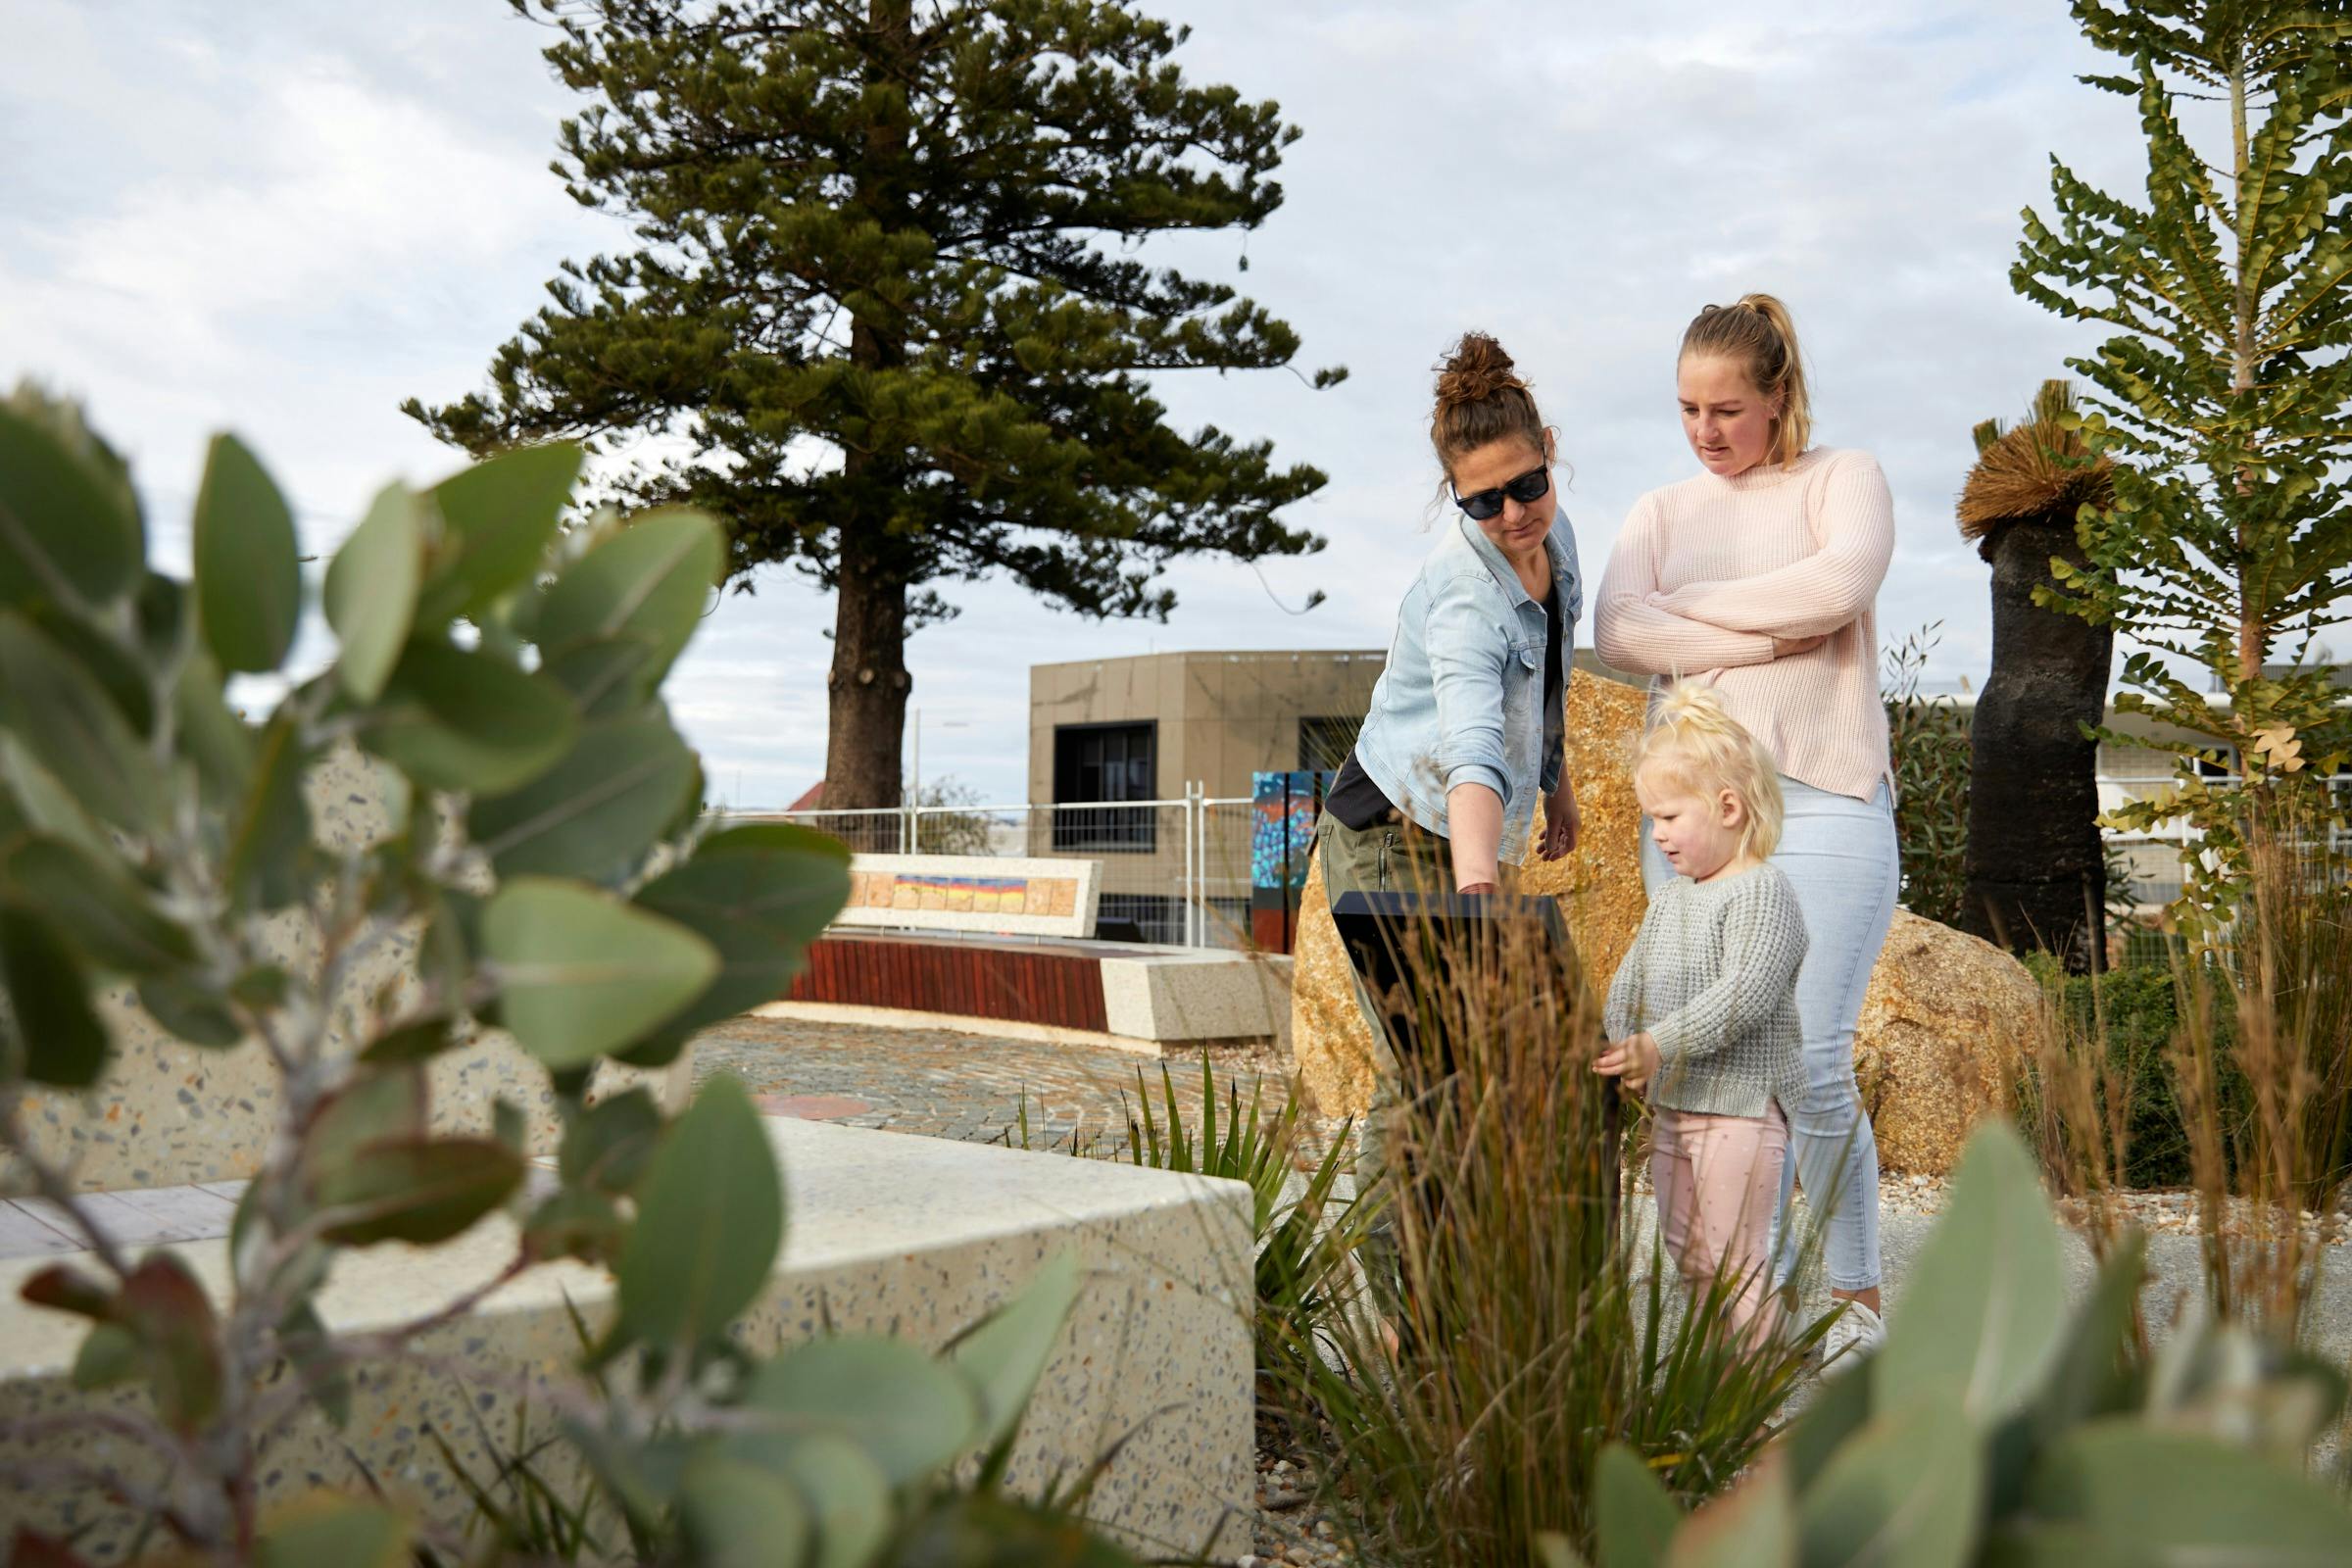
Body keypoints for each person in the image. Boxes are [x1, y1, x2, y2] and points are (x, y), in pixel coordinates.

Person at [1592, 294, 1897, 1366]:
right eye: (1687, 409)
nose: (1706, 431)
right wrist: (1782, 630)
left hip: (1827, 797)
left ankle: (1855, 1296)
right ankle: (1748, 1309)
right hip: (1696, 812)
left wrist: (1701, 621)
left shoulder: (1841, 478)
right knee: (1715, 1058)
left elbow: (1841, 584)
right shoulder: (1660, 509)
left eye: (1728, 408)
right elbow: (1618, 624)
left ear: (1779, 396)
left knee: (1810, 1056)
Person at [1318, 330, 1582, 1315]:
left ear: (1547, 449)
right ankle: (1403, 1320)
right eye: (1485, 501)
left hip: (1462, 837)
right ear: (1454, 498)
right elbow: (1472, 745)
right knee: (1430, 1074)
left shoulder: (1555, 542)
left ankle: (1473, 1285)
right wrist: (1482, 891)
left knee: (1490, 1075)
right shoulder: (1464, 595)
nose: (1514, 514)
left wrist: (1555, 786)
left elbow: (1549, 674)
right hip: (1391, 831)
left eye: (1528, 484)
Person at [1596, 682, 1807, 1351]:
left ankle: (1760, 1400)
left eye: (1668, 818)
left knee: (1735, 1262)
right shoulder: (1672, 902)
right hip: (1677, 1106)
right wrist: (1617, 1038)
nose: (1657, 835)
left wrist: (1657, 1044)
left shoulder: (1762, 892)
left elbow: (1745, 992)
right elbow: (1631, 982)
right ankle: (1719, 1384)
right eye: (1651, 820)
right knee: (1689, 1254)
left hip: (1739, 1110)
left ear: (1728, 807)